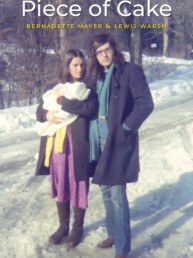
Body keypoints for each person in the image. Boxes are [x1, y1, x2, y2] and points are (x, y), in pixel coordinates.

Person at [88, 34, 154, 258]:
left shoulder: (130, 71)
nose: (104, 55)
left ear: (114, 49)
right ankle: (114, 233)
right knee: (106, 191)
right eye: (99, 52)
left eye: (107, 50)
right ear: (95, 56)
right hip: (99, 141)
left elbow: (145, 103)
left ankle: (122, 248)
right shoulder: (95, 75)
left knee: (117, 194)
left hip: (118, 140)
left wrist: (127, 127)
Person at [35, 49, 98, 251]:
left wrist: (63, 101)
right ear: (67, 66)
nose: (79, 68)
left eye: (81, 64)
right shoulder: (55, 87)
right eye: (75, 65)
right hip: (57, 144)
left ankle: (77, 228)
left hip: (78, 144)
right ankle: (63, 226)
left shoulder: (89, 87)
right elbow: (39, 109)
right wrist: (47, 116)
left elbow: (89, 109)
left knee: (78, 183)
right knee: (61, 181)